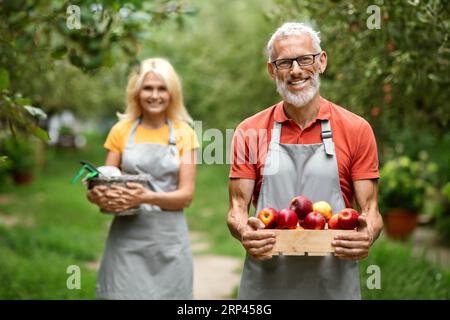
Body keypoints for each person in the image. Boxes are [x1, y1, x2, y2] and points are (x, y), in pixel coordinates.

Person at [227, 22, 383, 299]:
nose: (296, 70)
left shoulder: (356, 129)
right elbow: (237, 209)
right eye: (285, 62)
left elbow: (371, 210)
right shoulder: (249, 131)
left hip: (332, 282)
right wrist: (244, 232)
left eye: (304, 59)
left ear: (321, 62)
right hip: (267, 283)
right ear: (272, 70)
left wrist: (366, 235)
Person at [87, 57, 199, 299]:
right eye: (148, 88)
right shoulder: (121, 130)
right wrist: (96, 194)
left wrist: (146, 196)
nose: (154, 95)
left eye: (162, 89)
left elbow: (186, 196)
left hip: (169, 241)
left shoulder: (184, 134)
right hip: (127, 239)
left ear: (172, 93)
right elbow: (106, 180)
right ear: (137, 92)